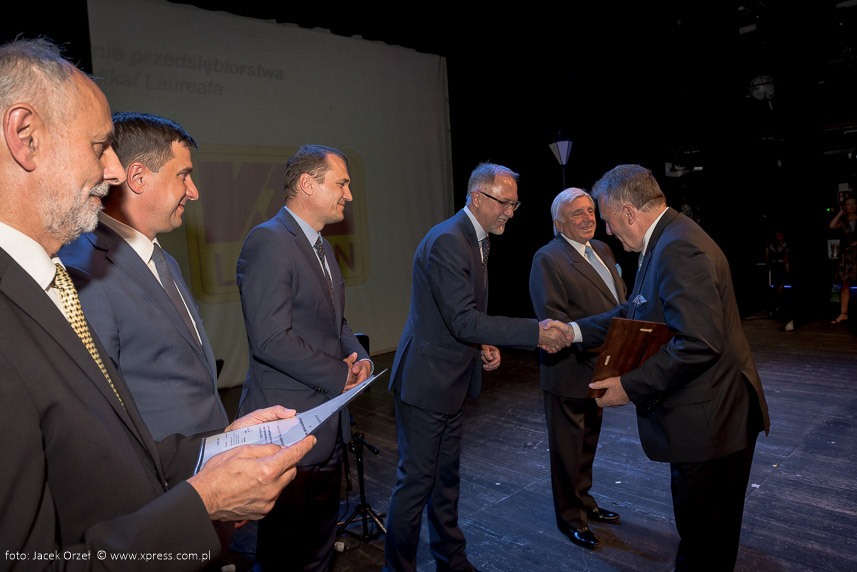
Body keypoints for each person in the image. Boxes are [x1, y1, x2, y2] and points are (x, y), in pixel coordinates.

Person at [0, 38, 315, 570]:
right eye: (99, 146)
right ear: (25, 136)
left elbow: (109, 446)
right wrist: (202, 503)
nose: (115, 171)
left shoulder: (44, 280)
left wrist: (216, 446)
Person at [571, 165, 769, 571]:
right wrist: (572, 331)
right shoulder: (667, 238)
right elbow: (634, 311)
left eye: (608, 219)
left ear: (629, 212)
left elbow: (697, 343)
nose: (607, 230)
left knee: (704, 544)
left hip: (713, 424)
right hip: (709, 418)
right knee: (705, 538)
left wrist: (629, 386)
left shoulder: (678, 248)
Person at [384, 162, 572, 572]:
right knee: (416, 485)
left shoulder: (475, 238)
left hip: (449, 381)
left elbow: (459, 314)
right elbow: (463, 321)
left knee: (445, 481)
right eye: (504, 203)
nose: (510, 212)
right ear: (476, 197)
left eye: (514, 204)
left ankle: (451, 559)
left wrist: (483, 342)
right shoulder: (450, 240)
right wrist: (536, 332)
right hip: (426, 383)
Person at [236, 144, 372, 571]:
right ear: (307, 185)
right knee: (286, 554)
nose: (349, 195)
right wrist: (338, 374)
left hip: (327, 425)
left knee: (318, 550)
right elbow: (271, 339)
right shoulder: (269, 241)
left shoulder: (322, 247)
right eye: (341, 184)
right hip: (289, 426)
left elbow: (335, 321)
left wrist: (359, 356)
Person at [60, 112, 228, 440]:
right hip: (161, 467)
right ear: (137, 178)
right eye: (183, 175)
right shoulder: (84, 271)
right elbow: (98, 413)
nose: (193, 192)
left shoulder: (164, 260)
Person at [528, 188, 627, 550]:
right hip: (569, 368)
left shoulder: (602, 249)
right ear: (558, 223)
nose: (588, 218)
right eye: (577, 214)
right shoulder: (548, 258)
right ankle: (571, 519)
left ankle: (585, 502)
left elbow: (618, 300)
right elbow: (553, 323)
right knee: (567, 451)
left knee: (587, 445)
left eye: (590, 211)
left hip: (602, 366)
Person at [829, 196, 856, 324]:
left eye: (853, 204)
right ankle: (843, 313)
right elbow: (832, 226)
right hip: (846, 256)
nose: (851, 206)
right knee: (845, 284)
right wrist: (840, 212)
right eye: (848, 204)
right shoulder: (843, 221)